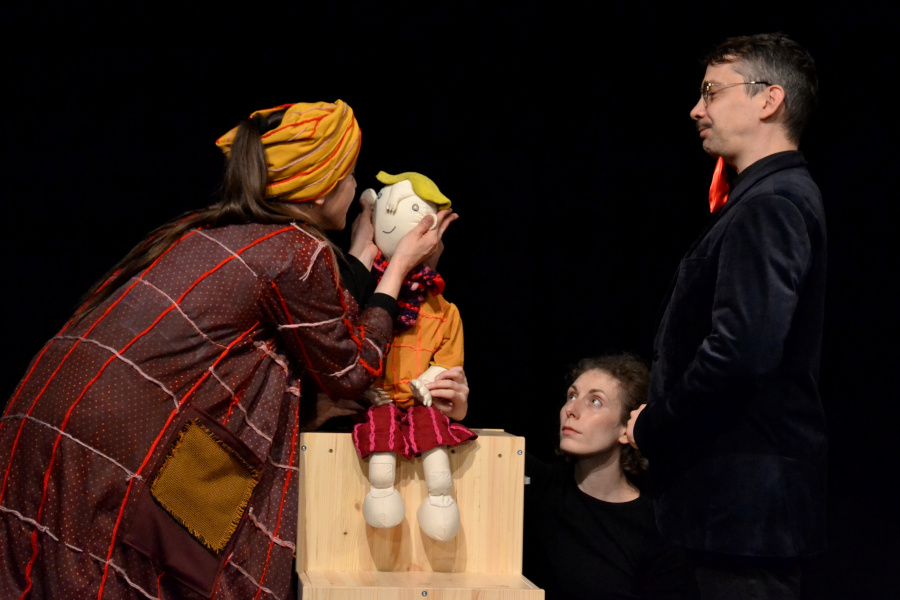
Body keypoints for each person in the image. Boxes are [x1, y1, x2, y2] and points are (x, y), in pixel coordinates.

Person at [0, 100, 464, 599]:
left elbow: (314, 326)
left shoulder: (212, 229)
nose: (356, 190)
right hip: (109, 443)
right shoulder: (294, 248)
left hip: (45, 418)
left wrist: (359, 256)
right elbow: (351, 369)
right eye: (349, 176)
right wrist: (398, 268)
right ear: (321, 187)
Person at [626, 34, 827, 599]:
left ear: (769, 99)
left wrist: (655, 425)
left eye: (712, 92)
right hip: (732, 513)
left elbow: (742, 352)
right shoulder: (765, 197)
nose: (697, 109)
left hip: (743, 515)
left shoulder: (772, 203)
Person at [524, 354, 697, 600]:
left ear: (627, 429)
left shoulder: (655, 529)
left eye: (595, 401)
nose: (571, 410)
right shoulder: (535, 485)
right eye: (572, 396)